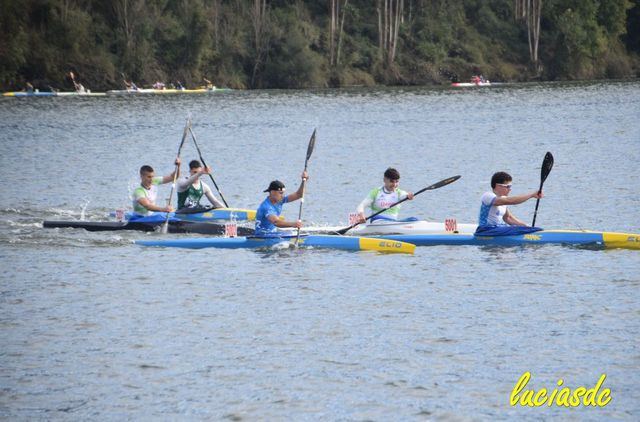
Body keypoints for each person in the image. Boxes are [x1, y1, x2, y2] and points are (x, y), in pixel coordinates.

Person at [478, 171, 543, 227]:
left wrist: (527, 227)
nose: (510, 189)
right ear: (498, 186)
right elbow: (511, 201)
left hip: (497, 229)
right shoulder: (488, 196)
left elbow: (509, 218)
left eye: (510, 186)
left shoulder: (503, 200)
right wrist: (531, 195)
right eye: (508, 186)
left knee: (521, 228)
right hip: (486, 230)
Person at [254, 171, 308, 235]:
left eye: (283, 193)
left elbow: (299, 194)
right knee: (288, 234)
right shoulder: (266, 207)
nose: (282, 195)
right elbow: (276, 222)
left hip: (272, 232)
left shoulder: (280, 200)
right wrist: (293, 224)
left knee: (289, 233)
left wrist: (304, 181)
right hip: (262, 235)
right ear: (272, 192)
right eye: (280, 193)